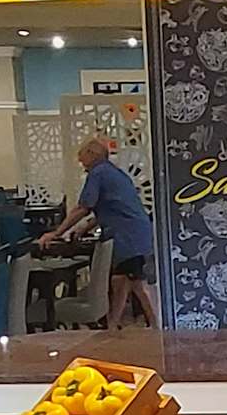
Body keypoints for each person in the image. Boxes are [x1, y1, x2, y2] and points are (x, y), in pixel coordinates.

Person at [40, 137, 159, 329]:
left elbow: (83, 207)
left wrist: (56, 233)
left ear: (92, 154)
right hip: (137, 232)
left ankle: (158, 326)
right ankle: (113, 326)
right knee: (121, 281)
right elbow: (109, 207)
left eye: (82, 159)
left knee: (138, 283)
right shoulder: (115, 173)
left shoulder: (98, 173)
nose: (81, 164)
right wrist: (84, 228)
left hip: (128, 236)